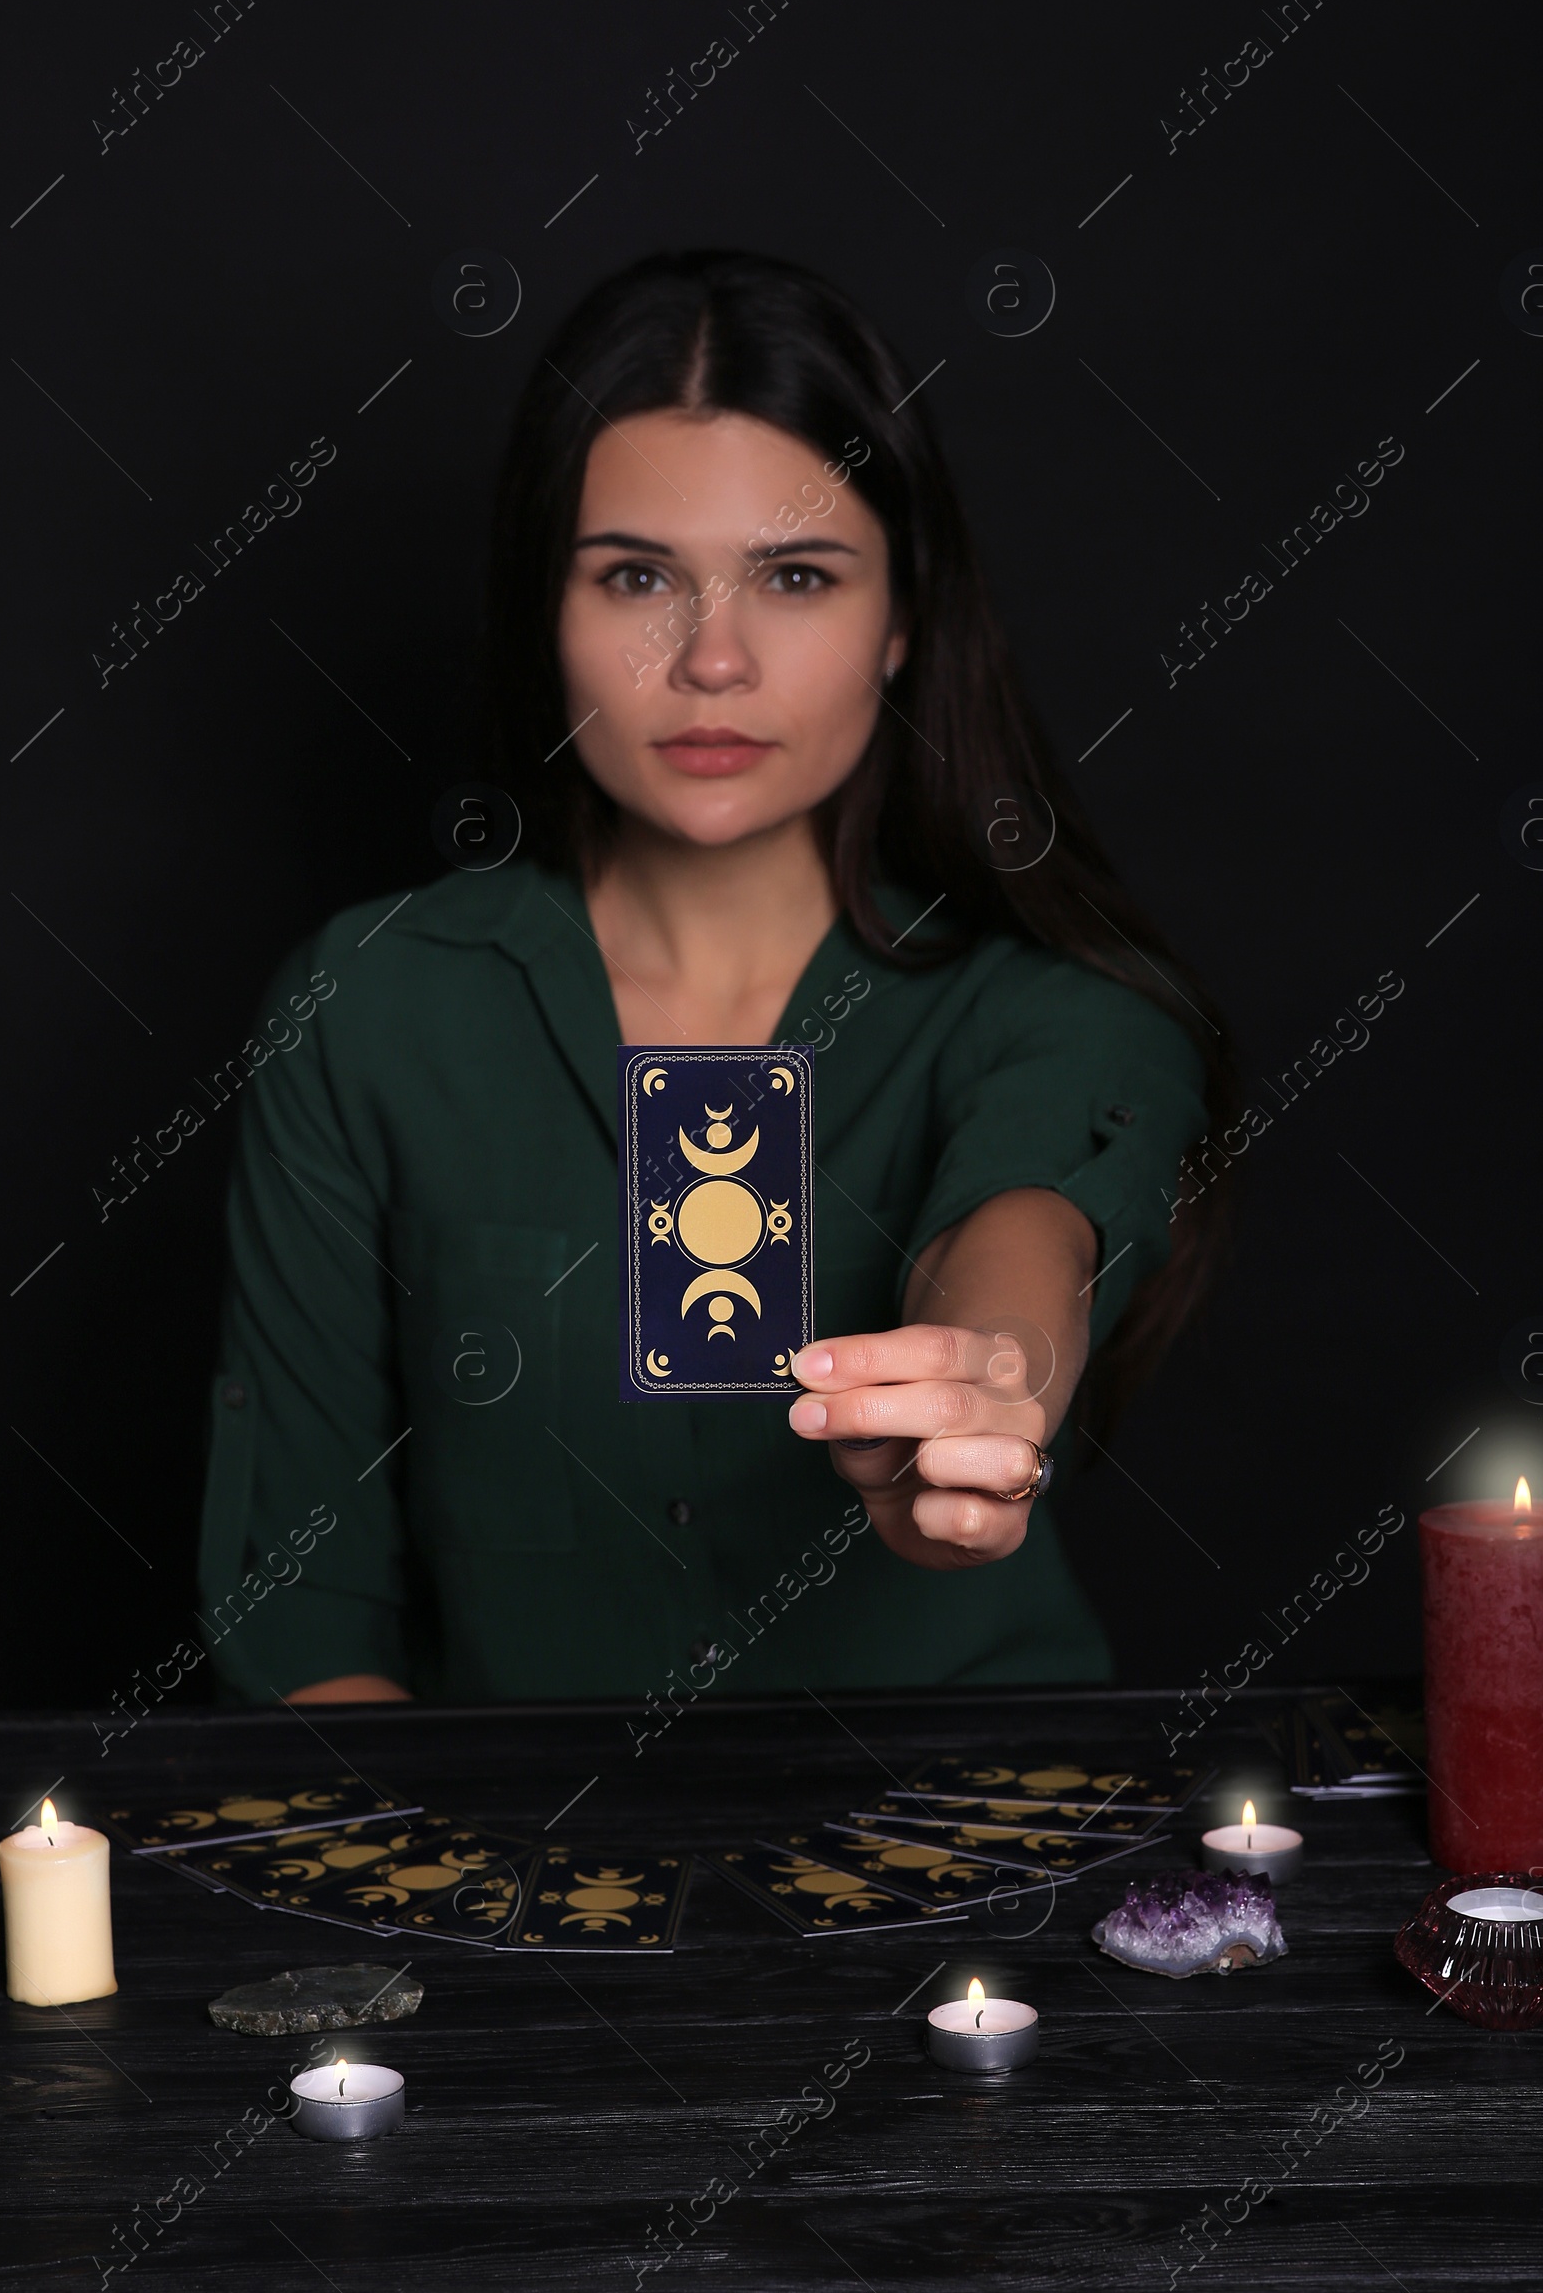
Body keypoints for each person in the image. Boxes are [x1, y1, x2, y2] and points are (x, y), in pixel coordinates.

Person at [199, 249, 1231, 1708]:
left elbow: (1023, 1234)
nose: (714, 661)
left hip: (972, 1873)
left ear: (901, 622)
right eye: (637, 577)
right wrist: (453, 1915)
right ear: (542, 610)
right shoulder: (368, 1007)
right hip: (503, 1896)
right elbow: (307, 1608)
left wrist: (972, 1396)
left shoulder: (1061, 1014)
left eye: (796, 577)